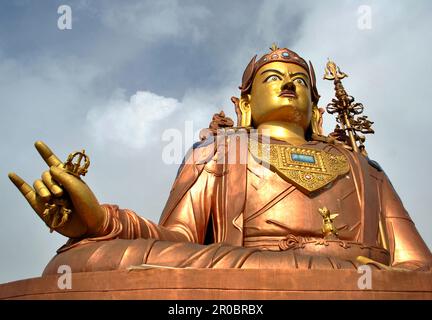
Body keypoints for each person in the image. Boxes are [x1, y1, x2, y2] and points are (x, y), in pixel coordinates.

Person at [9, 46, 432, 274]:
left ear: (317, 110)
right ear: (244, 104)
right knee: (74, 261)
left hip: (360, 274)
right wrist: (100, 222)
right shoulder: (219, 152)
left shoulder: (365, 170)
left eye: (300, 81)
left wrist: (397, 276)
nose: (288, 84)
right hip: (249, 271)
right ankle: (307, 271)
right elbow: (178, 239)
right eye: (273, 78)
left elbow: (417, 263)